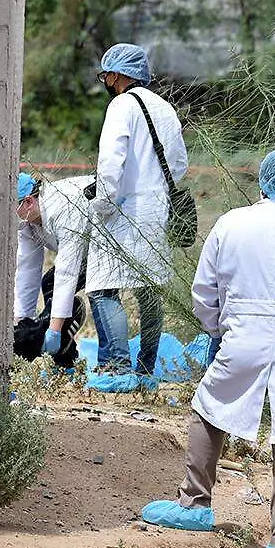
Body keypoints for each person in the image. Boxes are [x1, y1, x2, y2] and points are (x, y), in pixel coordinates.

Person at [140, 149, 275, 548]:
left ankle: (194, 502)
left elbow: (204, 290)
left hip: (243, 331)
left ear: (263, 183)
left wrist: (218, 328)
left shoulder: (231, 223)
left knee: (210, 408)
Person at [85, 43, 189, 393]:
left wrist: (102, 204)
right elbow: (180, 165)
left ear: (118, 74)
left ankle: (116, 365)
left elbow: (110, 162)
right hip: (155, 212)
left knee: (103, 288)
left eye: (107, 75)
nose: (106, 81)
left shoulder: (121, 106)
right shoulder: (166, 109)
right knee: (149, 290)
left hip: (122, 209)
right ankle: (146, 369)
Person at [13, 172, 92, 370]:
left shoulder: (62, 209)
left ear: (28, 202)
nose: (10, 215)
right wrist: (21, 323)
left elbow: (67, 272)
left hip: (107, 244)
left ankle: (115, 362)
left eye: (12, 208)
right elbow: (26, 270)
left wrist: (54, 331)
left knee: (101, 294)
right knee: (48, 283)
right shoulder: (27, 221)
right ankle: (65, 359)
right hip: (83, 251)